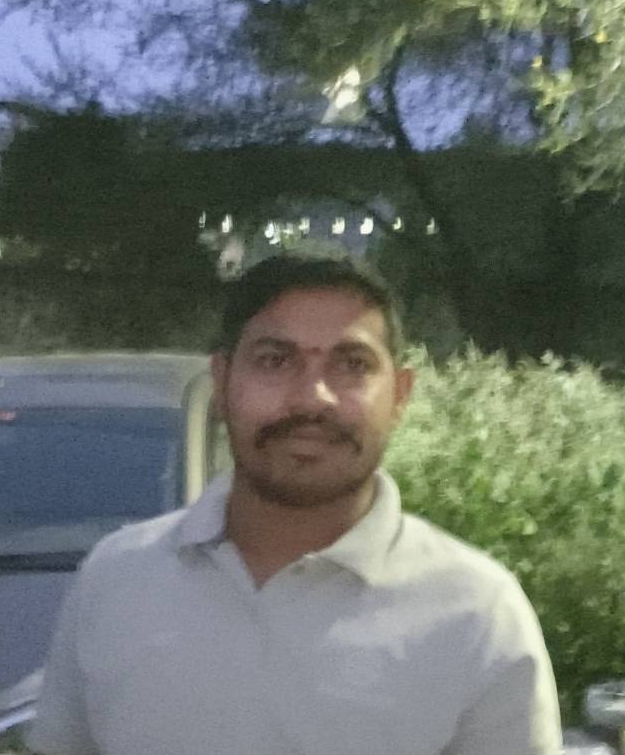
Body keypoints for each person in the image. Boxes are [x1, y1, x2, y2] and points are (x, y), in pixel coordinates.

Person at [28, 256, 562, 755]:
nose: (313, 397)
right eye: (275, 361)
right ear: (222, 382)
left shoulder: (477, 614)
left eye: (352, 364)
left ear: (400, 395)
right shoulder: (117, 580)